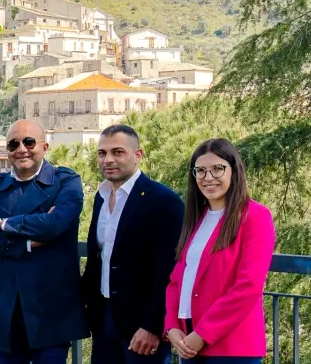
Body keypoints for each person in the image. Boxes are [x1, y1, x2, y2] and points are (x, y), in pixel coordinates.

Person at [0, 120, 87, 364]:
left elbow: (55, 225)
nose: (22, 149)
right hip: (5, 305)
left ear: (45, 145)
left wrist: (4, 224)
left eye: (29, 142)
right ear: (7, 151)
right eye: (14, 144)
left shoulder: (65, 181)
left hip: (50, 305)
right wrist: (28, 244)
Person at [164, 138, 275, 363]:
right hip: (190, 342)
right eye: (201, 171)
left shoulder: (255, 216)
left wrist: (204, 334)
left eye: (217, 169)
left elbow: (248, 286)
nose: (208, 177)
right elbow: (178, 280)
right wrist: (171, 327)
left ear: (234, 171)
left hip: (231, 347)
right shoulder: (198, 219)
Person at [81, 125, 183, 364]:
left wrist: (153, 326)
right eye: (102, 153)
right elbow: (100, 256)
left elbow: (168, 270)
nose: (108, 159)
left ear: (138, 155)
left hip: (142, 326)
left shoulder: (163, 201)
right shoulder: (101, 196)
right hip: (105, 317)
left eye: (118, 152)